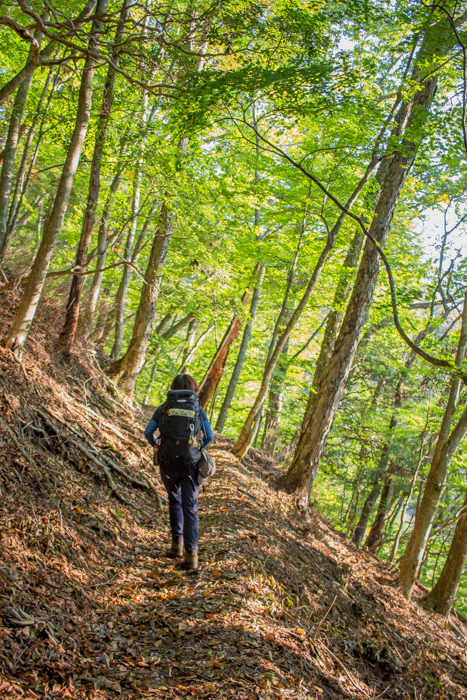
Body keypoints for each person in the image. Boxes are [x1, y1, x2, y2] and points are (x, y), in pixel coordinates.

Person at [144, 374, 213, 570]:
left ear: (173, 387)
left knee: (174, 500)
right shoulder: (198, 410)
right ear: (193, 389)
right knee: (190, 507)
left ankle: (176, 546)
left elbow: (148, 432)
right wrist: (199, 448)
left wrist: (157, 445)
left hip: (167, 462)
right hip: (191, 465)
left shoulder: (164, 408)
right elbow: (209, 436)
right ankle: (191, 556)